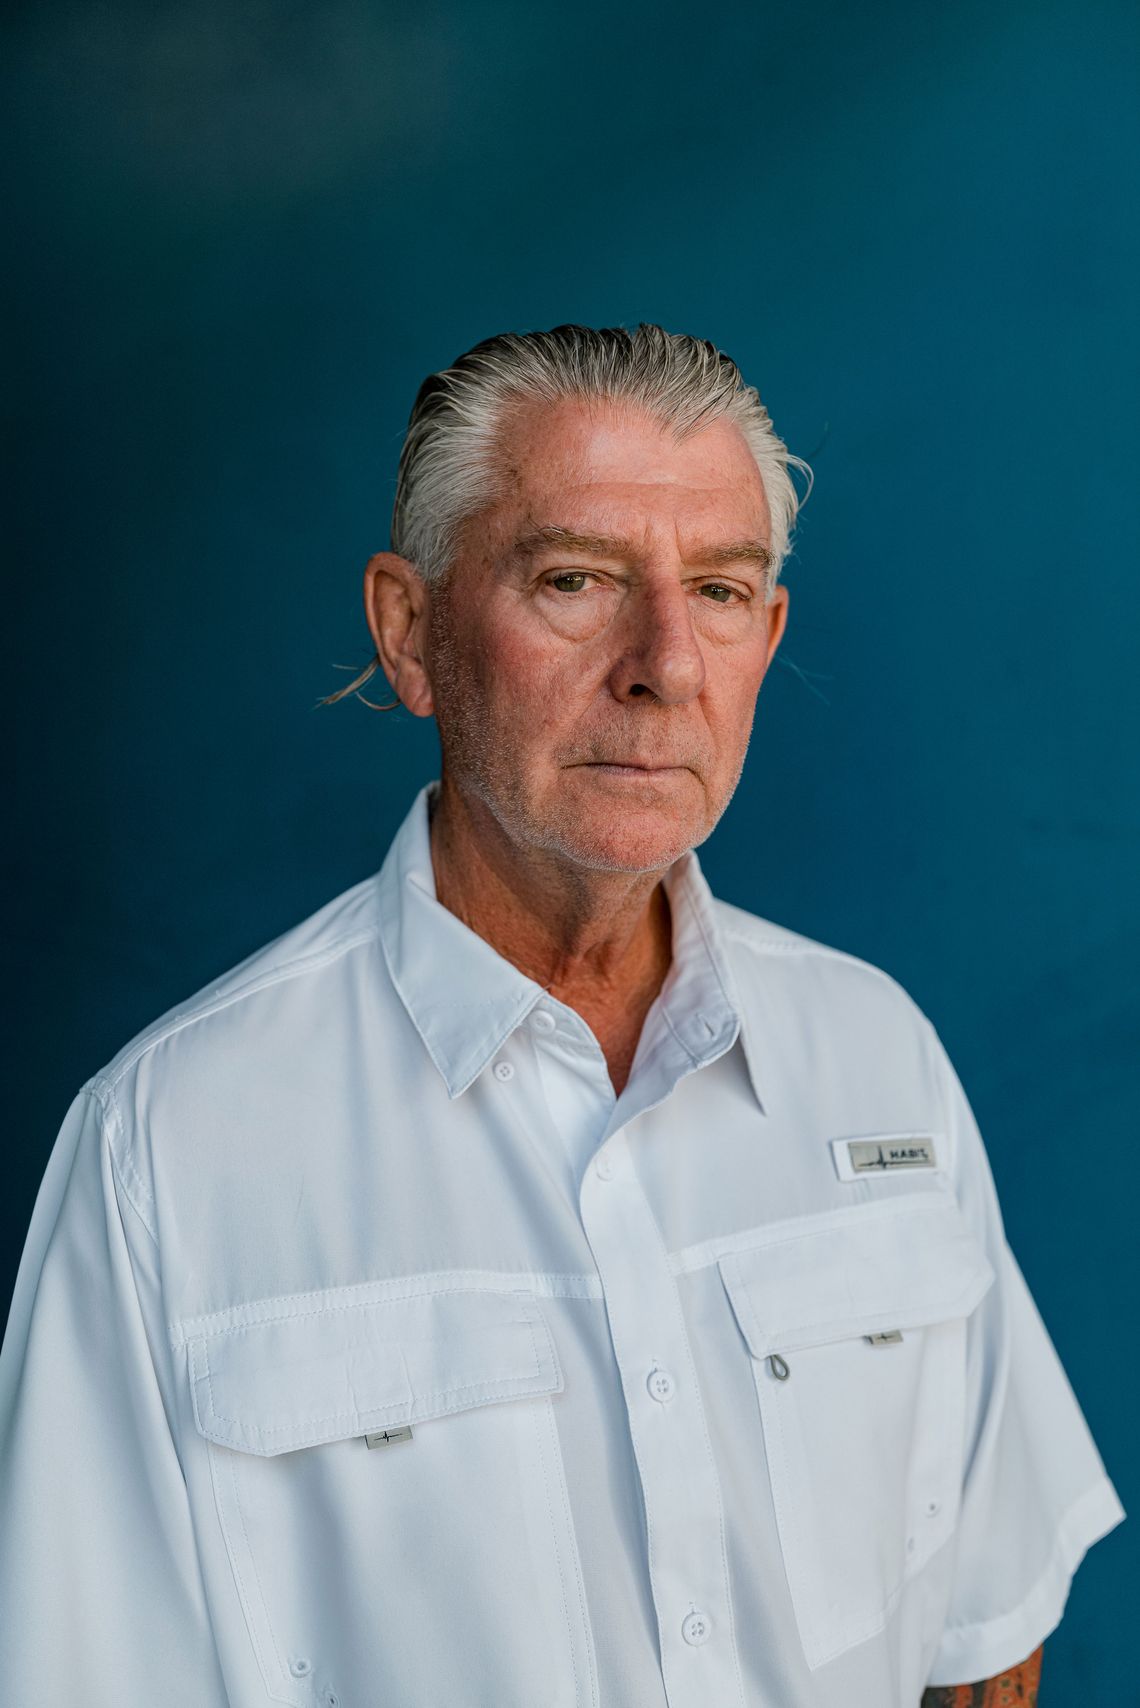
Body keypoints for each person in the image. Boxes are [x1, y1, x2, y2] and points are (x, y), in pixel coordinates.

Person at [0, 324, 1123, 1708]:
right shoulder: (165, 1150)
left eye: (718, 590)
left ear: (766, 637)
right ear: (410, 634)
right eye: (576, 579)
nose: (663, 663)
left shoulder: (876, 1057)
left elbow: (984, 1636)